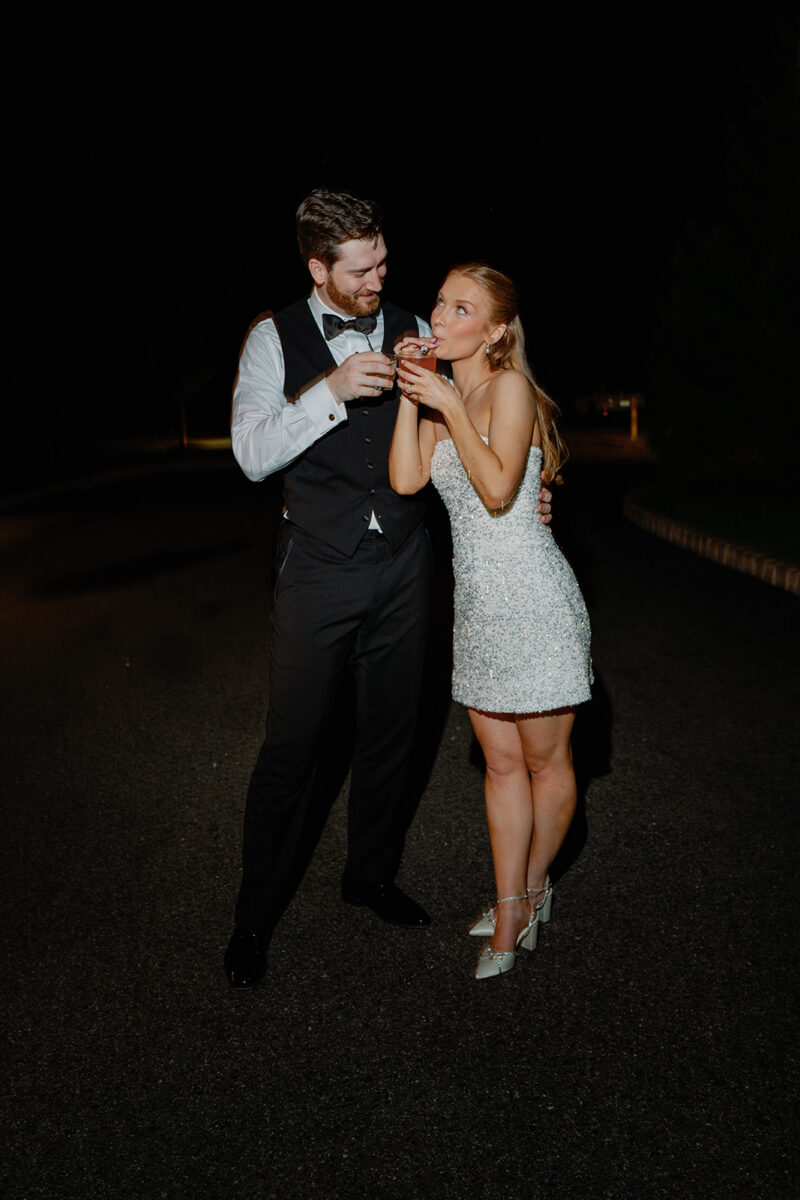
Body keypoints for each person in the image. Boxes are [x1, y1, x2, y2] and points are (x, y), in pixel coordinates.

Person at [389, 263, 592, 980]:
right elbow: (408, 480)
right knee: (501, 766)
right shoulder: (451, 395)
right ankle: (511, 900)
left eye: (461, 308)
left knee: (546, 763)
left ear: (497, 330)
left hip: (535, 599)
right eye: (440, 303)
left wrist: (445, 397)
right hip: (477, 609)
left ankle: (528, 896)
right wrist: (417, 398)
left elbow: (502, 488)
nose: (440, 317)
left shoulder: (508, 388)